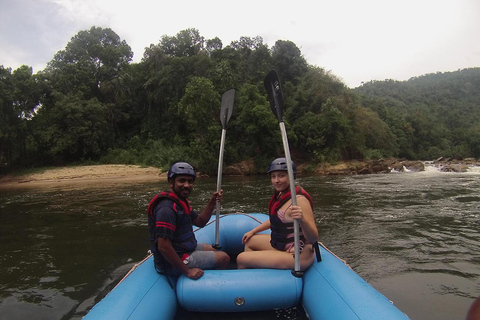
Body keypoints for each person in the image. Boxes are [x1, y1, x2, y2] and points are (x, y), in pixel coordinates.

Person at [147, 161, 230, 280]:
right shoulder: (166, 209)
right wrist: (187, 271)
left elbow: (200, 222)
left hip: (182, 248)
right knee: (224, 258)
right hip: (172, 261)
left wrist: (212, 202)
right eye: (182, 181)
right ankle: (215, 286)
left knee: (213, 249)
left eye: (190, 182)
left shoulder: (180, 202)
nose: (187, 185)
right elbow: (163, 246)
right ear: (171, 183)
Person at [236, 158, 319, 271]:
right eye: (273, 176)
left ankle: (248, 282)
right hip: (283, 245)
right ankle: (258, 276)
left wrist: (302, 219)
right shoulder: (281, 195)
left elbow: (313, 237)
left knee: (241, 259)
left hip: (299, 255)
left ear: (292, 176)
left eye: (281, 176)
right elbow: (276, 220)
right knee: (250, 241)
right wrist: (253, 231)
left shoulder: (299, 200)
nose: (276, 180)